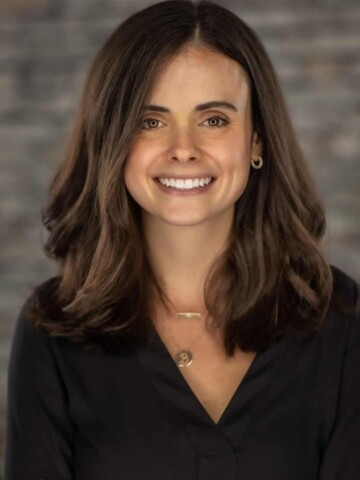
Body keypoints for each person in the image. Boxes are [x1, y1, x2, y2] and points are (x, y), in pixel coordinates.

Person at [4, 1, 360, 478]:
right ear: (113, 141)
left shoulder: (338, 318)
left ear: (256, 139)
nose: (184, 149)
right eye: (150, 121)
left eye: (214, 119)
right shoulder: (53, 331)